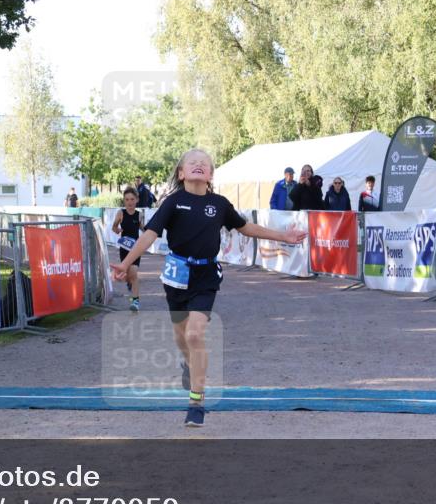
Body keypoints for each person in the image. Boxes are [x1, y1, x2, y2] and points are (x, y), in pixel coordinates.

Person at [111, 148, 307, 428]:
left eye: (204, 163)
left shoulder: (219, 204)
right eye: (192, 162)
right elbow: (150, 234)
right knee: (181, 337)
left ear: (211, 174)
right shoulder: (173, 202)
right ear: (181, 173)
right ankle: (188, 365)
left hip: (206, 276)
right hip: (177, 275)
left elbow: (246, 228)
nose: (199, 165)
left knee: (195, 333)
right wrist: (125, 263)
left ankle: (196, 402)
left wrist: (283, 236)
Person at [111, 187, 145, 312]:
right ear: (124, 201)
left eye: (132, 199)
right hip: (124, 248)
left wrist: (151, 230)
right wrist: (117, 230)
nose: (129, 202)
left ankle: (135, 302)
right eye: (127, 200)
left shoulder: (139, 214)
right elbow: (114, 227)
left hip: (136, 248)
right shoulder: (120, 213)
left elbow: (142, 228)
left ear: (137, 200)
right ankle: (129, 283)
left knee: (134, 273)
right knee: (129, 275)